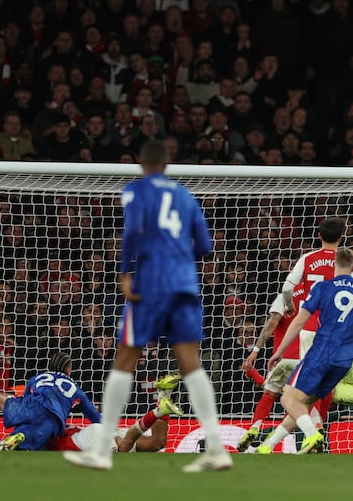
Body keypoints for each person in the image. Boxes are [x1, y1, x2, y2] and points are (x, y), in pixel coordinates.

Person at [63, 139, 232, 473]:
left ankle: (101, 451)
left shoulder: (135, 192)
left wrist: (126, 271)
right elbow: (207, 245)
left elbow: (132, 233)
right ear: (167, 163)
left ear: (141, 163)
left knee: (125, 359)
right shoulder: (185, 196)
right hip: (184, 285)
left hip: (151, 284)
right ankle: (216, 449)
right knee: (191, 366)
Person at [257, 248, 353, 454]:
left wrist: (280, 350)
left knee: (288, 399)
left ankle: (313, 435)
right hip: (344, 360)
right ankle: (267, 446)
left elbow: (299, 321)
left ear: (334, 264)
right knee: (304, 403)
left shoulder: (323, 288)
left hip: (321, 354)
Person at [280, 216, 353, 435]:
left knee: (309, 383)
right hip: (337, 331)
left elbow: (287, 288)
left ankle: (314, 428)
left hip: (310, 328)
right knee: (328, 384)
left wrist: (290, 306)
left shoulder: (307, 258)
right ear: (342, 236)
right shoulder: (347, 261)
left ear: (319, 236)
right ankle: (318, 426)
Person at [0, 352, 99, 451]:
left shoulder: (37, 378)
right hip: (52, 422)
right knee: (39, 440)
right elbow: (96, 418)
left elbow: (24, 402)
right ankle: (21, 439)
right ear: (69, 369)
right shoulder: (77, 390)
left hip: (30, 407)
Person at [236, 283, 307, 452]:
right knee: (299, 404)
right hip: (307, 359)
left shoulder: (285, 296)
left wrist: (255, 351)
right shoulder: (317, 295)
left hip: (283, 358)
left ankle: (255, 426)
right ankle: (276, 438)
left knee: (269, 393)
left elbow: (273, 321)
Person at [49, 372, 184, 453]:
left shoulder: (41, 436)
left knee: (124, 447)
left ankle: (158, 411)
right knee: (156, 442)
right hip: (91, 432)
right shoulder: (49, 426)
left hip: (88, 439)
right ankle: (163, 394)